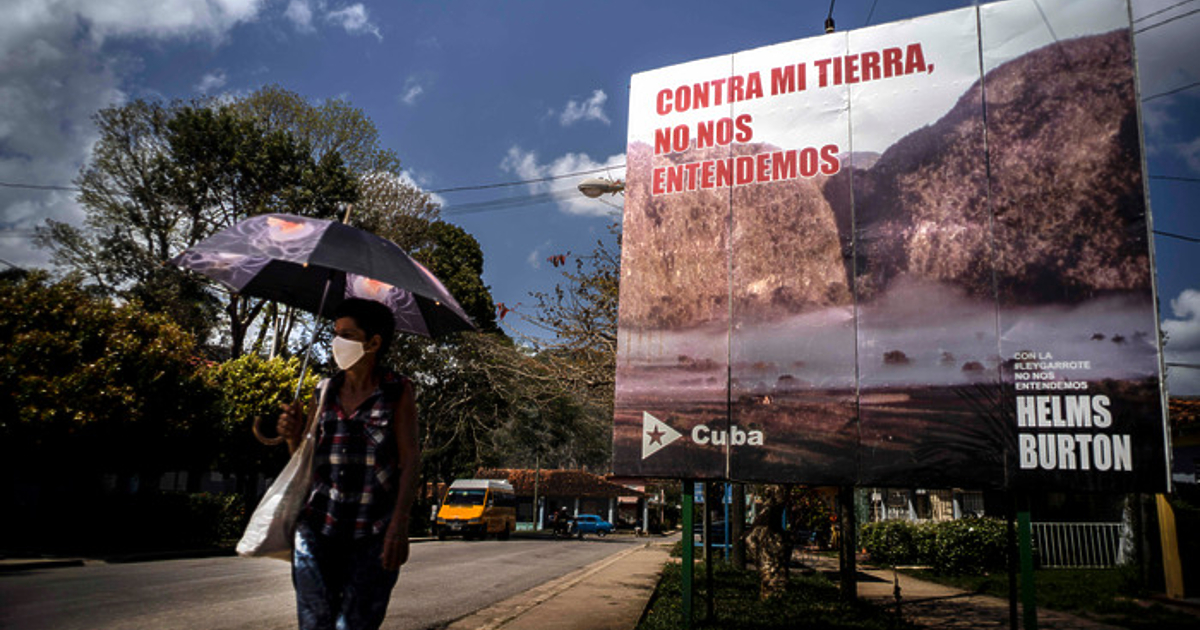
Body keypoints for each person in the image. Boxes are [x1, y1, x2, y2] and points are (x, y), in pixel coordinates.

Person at [277, 298, 420, 630]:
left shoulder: (398, 391)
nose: (336, 342)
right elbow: (305, 464)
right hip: (317, 530)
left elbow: (410, 461)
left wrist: (399, 526)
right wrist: (291, 436)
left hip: (372, 536)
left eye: (347, 334)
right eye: (335, 333)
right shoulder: (323, 391)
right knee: (314, 624)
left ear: (373, 343)